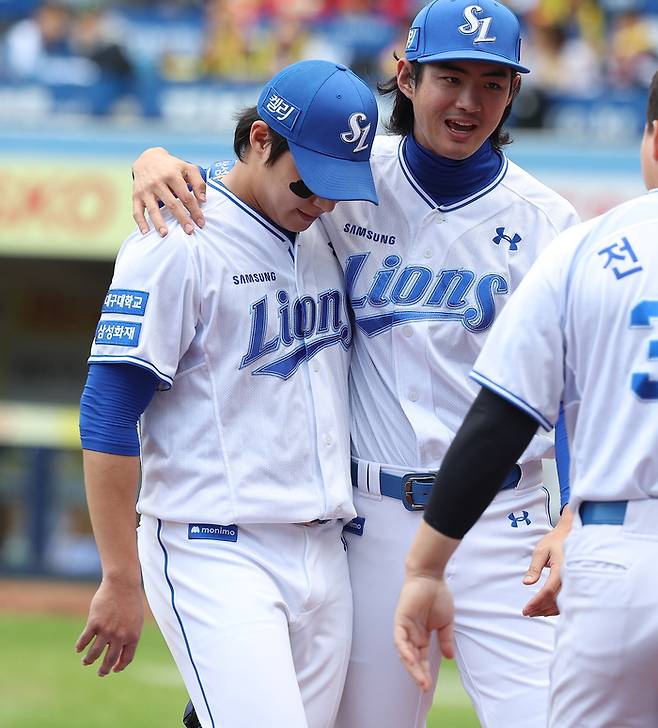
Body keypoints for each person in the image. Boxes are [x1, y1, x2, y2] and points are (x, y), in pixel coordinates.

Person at [131, 1, 579, 725]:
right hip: (375, 519)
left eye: (492, 83)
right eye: (449, 77)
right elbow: (253, 178)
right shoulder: (345, 182)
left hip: (509, 520)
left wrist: (575, 510)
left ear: (513, 94)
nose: (468, 101)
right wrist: (155, 163)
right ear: (404, 76)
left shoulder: (549, 222)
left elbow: (578, 387)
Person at [75, 59, 380, 728]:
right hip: (216, 545)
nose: (324, 200)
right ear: (261, 140)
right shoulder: (176, 240)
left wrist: (148, 157)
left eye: (338, 185)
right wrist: (120, 576)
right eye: (311, 181)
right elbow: (106, 413)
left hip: (325, 550)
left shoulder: (319, 229)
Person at [395, 69, 658, 728]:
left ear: (653, 139)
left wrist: (427, 564)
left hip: (617, 544)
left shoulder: (588, 244)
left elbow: (503, 416)